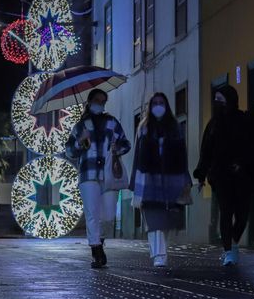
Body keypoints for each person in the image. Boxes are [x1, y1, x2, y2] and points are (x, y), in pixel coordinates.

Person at [193, 85, 254, 266]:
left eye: (222, 100)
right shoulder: (213, 125)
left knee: (242, 214)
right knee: (226, 213)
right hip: (221, 177)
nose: (218, 104)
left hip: (244, 176)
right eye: (216, 101)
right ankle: (228, 251)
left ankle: (233, 242)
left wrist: (248, 165)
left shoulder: (246, 121)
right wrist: (201, 175)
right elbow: (206, 151)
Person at [65, 88, 131, 269]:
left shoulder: (112, 122)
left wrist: (117, 148)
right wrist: (80, 141)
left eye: (103, 101)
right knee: (92, 214)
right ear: (89, 101)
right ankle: (96, 250)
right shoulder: (80, 126)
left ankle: (99, 240)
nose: (100, 104)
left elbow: (126, 144)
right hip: (89, 174)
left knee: (108, 215)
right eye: (97, 100)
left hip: (109, 174)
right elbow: (70, 151)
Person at [130, 93, 192, 267]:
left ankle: (160, 251)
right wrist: (134, 182)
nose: (158, 106)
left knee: (165, 220)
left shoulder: (175, 128)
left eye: (161, 103)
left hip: (170, 180)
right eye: (155, 103)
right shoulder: (143, 127)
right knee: (153, 217)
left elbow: (182, 155)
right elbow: (137, 155)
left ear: (167, 106)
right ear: (150, 107)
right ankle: (159, 254)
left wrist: (185, 178)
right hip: (148, 180)